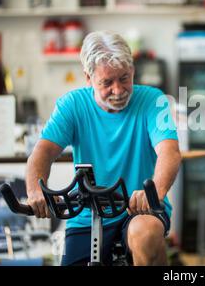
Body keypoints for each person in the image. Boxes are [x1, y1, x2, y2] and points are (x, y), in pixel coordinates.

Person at [25, 31, 182, 266]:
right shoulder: (72, 104)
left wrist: (154, 193)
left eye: (124, 78)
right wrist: (35, 191)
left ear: (133, 71)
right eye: (107, 83)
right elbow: (43, 152)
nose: (118, 90)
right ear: (88, 78)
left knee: (145, 234)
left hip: (138, 208)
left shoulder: (153, 100)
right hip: (88, 214)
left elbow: (169, 151)